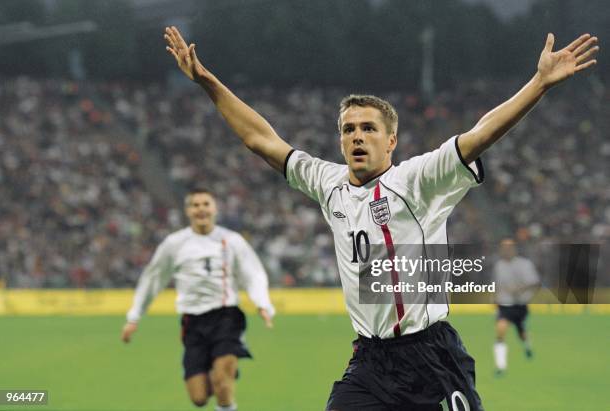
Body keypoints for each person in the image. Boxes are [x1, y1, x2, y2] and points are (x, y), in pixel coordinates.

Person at [164, 25, 598, 410]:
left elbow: (481, 133)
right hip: (370, 362)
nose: (357, 136)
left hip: (431, 358)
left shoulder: (419, 180)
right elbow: (261, 138)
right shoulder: (326, 182)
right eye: (349, 129)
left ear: (391, 141)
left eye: (368, 128)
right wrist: (207, 82)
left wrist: (539, 84)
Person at [121, 187, 274, 411]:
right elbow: (153, 279)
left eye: (206, 204)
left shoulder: (231, 240)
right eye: (195, 205)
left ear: (215, 209)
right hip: (192, 322)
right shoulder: (174, 243)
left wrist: (262, 304)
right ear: (188, 211)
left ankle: (225, 372)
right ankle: (223, 369)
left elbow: (252, 273)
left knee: (222, 384)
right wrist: (134, 317)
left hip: (226, 317)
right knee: (199, 398)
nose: (201, 209)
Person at [493, 238, 540, 377]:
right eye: (503, 247)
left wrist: (519, 289)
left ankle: (527, 346)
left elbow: (535, 283)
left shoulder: (525, 264)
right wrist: (495, 297)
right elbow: (497, 284)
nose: (506, 250)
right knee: (500, 331)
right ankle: (501, 366)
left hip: (520, 305)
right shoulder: (499, 265)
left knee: (521, 333)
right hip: (505, 305)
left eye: (509, 247)